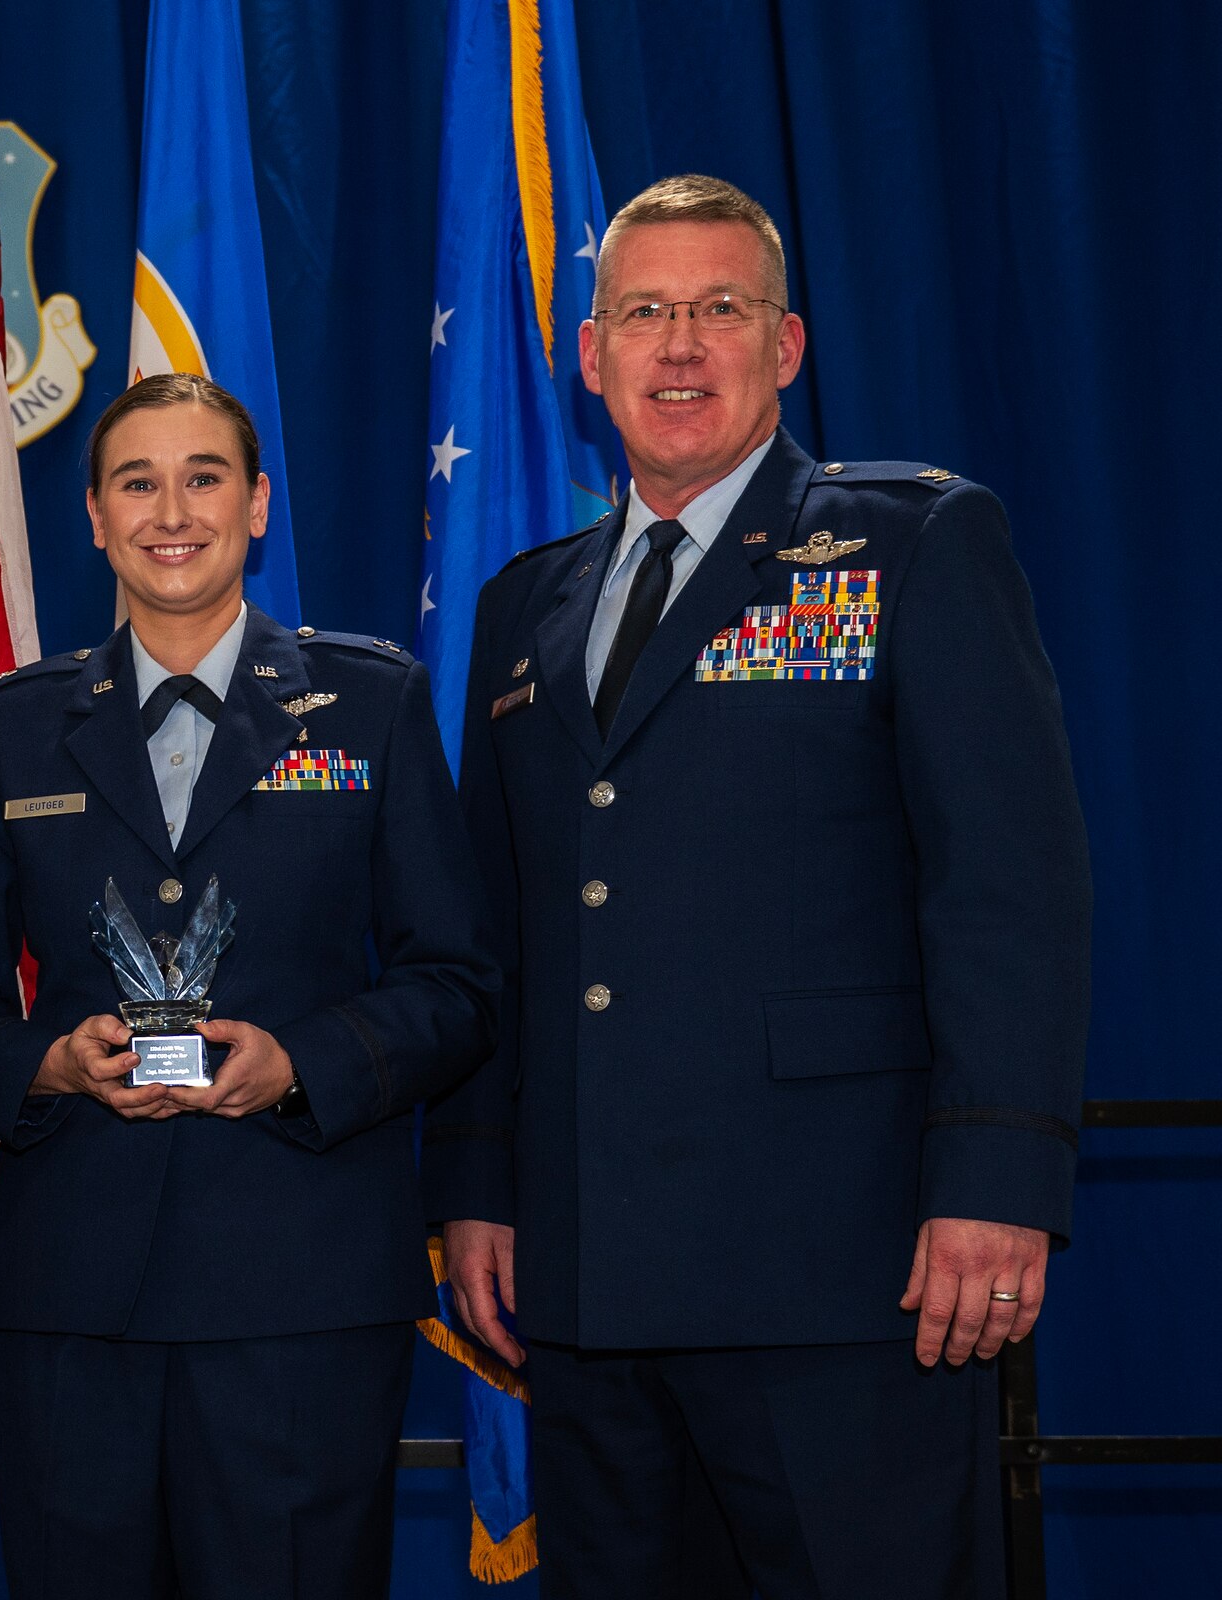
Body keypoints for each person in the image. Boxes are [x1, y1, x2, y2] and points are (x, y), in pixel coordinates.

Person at [428, 174, 1091, 1599]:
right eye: (646, 313)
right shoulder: (523, 606)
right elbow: (506, 929)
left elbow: (1010, 887)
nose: (681, 348)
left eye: (719, 310)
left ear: (783, 348)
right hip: (593, 1283)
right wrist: (479, 1183)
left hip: (845, 1274)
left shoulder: (912, 545)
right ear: (591, 354)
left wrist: (998, 1178)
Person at [0, 373, 499, 1600]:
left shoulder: (373, 704)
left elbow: (454, 980)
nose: (168, 509)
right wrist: (48, 1065)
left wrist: (306, 1061)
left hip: (302, 1290)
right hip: (72, 1294)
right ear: (89, 513)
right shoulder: (12, 729)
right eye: (136, 481)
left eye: (202, 477)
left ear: (255, 506)